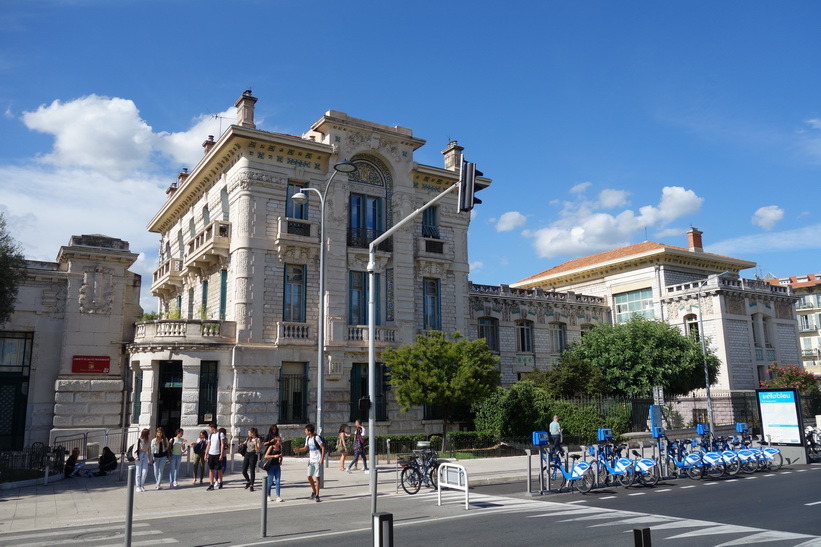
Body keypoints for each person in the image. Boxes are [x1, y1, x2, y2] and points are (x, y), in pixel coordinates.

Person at [294, 423, 325, 502]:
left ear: (309, 431)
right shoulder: (307, 438)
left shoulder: (317, 438)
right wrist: (298, 450)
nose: (305, 431)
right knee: (309, 477)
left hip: (317, 460)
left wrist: (322, 459)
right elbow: (305, 448)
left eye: (306, 430)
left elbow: (323, 447)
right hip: (311, 460)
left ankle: (317, 495)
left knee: (317, 477)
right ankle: (314, 491)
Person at [263, 431, 284, 502]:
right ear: (276, 442)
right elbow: (266, 456)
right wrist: (274, 456)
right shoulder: (271, 447)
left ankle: (278, 496)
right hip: (271, 466)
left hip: (277, 466)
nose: (280, 442)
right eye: (279, 441)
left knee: (277, 481)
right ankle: (268, 495)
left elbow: (281, 456)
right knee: (270, 481)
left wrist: (281, 460)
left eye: (280, 441)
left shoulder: (280, 448)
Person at [204, 422, 225, 491]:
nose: (209, 429)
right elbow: (208, 445)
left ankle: (221, 481)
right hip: (211, 454)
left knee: (219, 469)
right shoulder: (210, 435)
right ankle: (211, 484)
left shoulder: (220, 434)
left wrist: (221, 454)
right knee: (211, 469)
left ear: (212, 427)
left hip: (217, 453)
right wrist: (206, 454)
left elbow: (222, 444)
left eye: (210, 428)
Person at [134, 428, 153, 492]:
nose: (149, 434)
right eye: (148, 433)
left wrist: (150, 459)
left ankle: (142, 485)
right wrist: (136, 457)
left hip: (145, 455)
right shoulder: (139, 440)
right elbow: (135, 449)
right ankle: (138, 486)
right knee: (138, 472)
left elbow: (149, 450)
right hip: (139, 455)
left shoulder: (148, 441)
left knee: (145, 471)